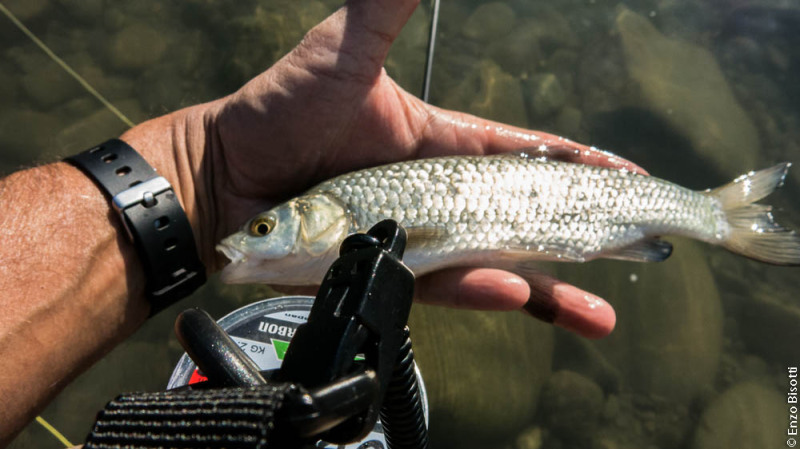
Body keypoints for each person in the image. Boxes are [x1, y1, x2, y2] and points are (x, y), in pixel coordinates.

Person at [0, 0, 646, 444]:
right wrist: (201, 175)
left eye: (261, 229)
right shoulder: (336, 202)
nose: (245, 240)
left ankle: (689, 215)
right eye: (260, 230)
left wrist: (202, 176)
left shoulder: (344, 204)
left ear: (330, 219)